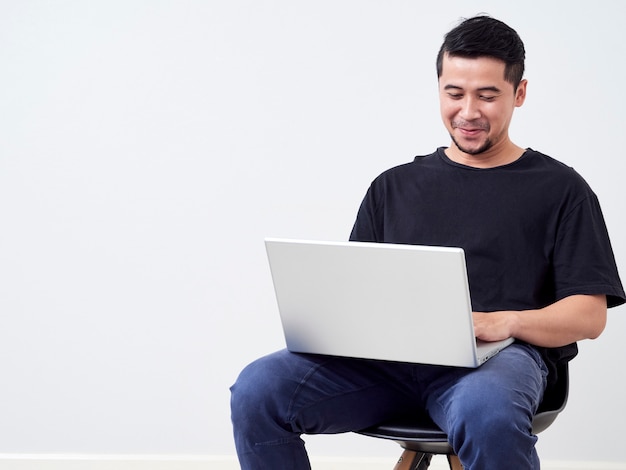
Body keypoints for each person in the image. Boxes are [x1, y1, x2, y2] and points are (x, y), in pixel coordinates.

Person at [230, 15, 625, 469]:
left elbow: (590, 316)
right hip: (386, 368)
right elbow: (355, 297)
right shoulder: (393, 187)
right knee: (257, 390)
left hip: (495, 366)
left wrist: (505, 322)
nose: (468, 111)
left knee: (486, 413)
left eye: (487, 95)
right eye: (454, 94)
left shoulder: (561, 190)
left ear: (519, 94)